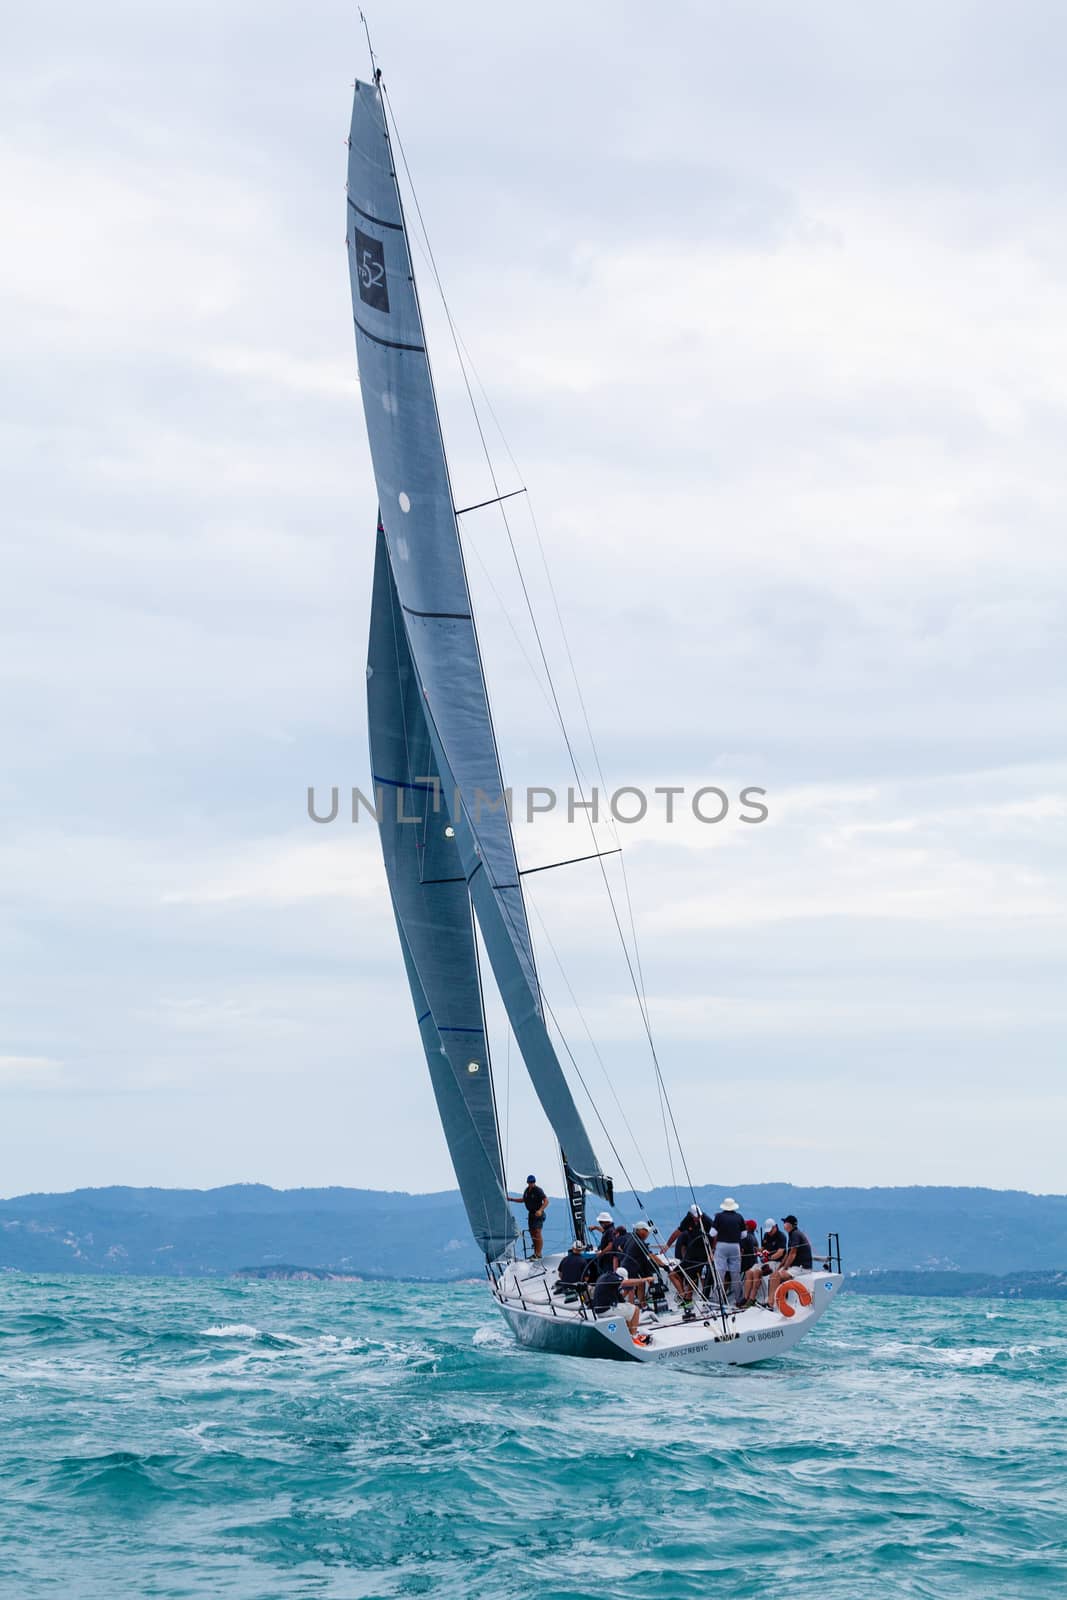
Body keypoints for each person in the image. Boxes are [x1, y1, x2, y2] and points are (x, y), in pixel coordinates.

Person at [591, 1262, 653, 1343]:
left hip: (600, 1310)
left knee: (628, 1309)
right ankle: (634, 1337)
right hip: (606, 1310)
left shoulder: (606, 1277)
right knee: (636, 1309)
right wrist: (645, 1279)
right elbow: (625, 1282)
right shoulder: (612, 1278)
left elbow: (622, 1300)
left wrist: (626, 1293)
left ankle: (629, 1334)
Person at [766, 1214, 814, 1310]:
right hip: (796, 1267)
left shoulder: (795, 1234)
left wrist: (785, 1268)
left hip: (802, 1267)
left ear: (790, 1224)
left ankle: (771, 1304)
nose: (783, 1224)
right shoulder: (792, 1234)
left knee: (776, 1276)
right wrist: (780, 1267)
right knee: (773, 1275)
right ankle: (772, 1301)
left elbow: (793, 1254)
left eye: (785, 1223)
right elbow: (788, 1254)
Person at [740, 1218, 787, 1309]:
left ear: (775, 1227)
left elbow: (780, 1252)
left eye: (770, 1230)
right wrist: (758, 1251)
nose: (769, 1233)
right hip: (766, 1260)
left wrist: (769, 1257)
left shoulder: (781, 1237)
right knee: (749, 1272)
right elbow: (763, 1248)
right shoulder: (766, 1235)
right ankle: (746, 1297)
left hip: (775, 1262)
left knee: (757, 1272)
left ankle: (752, 1298)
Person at [618, 1221, 667, 1309]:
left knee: (640, 1284)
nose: (648, 1233)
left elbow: (621, 1248)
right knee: (630, 1289)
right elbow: (651, 1256)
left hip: (625, 1265)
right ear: (640, 1231)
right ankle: (629, 1308)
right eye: (647, 1231)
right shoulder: (639, 1242)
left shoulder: (631, 1238)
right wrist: (664, 1265)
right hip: (630, 1268)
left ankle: (642, 1304)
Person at [712, 1197, 746, 1307]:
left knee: (720, 1272)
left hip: (721, 1245)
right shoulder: (739, 1217)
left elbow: (712, 1233)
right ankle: (739, 1299)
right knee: (735, 1274)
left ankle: (718, 1301)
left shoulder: (719, 1216)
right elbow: (744, 1235)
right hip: (735, 1246)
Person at [508, 1175, 548, 1259]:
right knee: (532, 1232)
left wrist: (540, 1210)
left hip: (538, 1213)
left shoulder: (538, 1190)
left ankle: (538, 1253)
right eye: (530, 1182)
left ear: (535, 1182)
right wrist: (511, 1199)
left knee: (537, 1232)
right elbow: (523, 1200)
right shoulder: (526, 1191)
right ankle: (535, 1253)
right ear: (527, 1182)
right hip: (531, 1214)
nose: (531, 1184)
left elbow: (546, 1201)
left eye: (533, 1182)